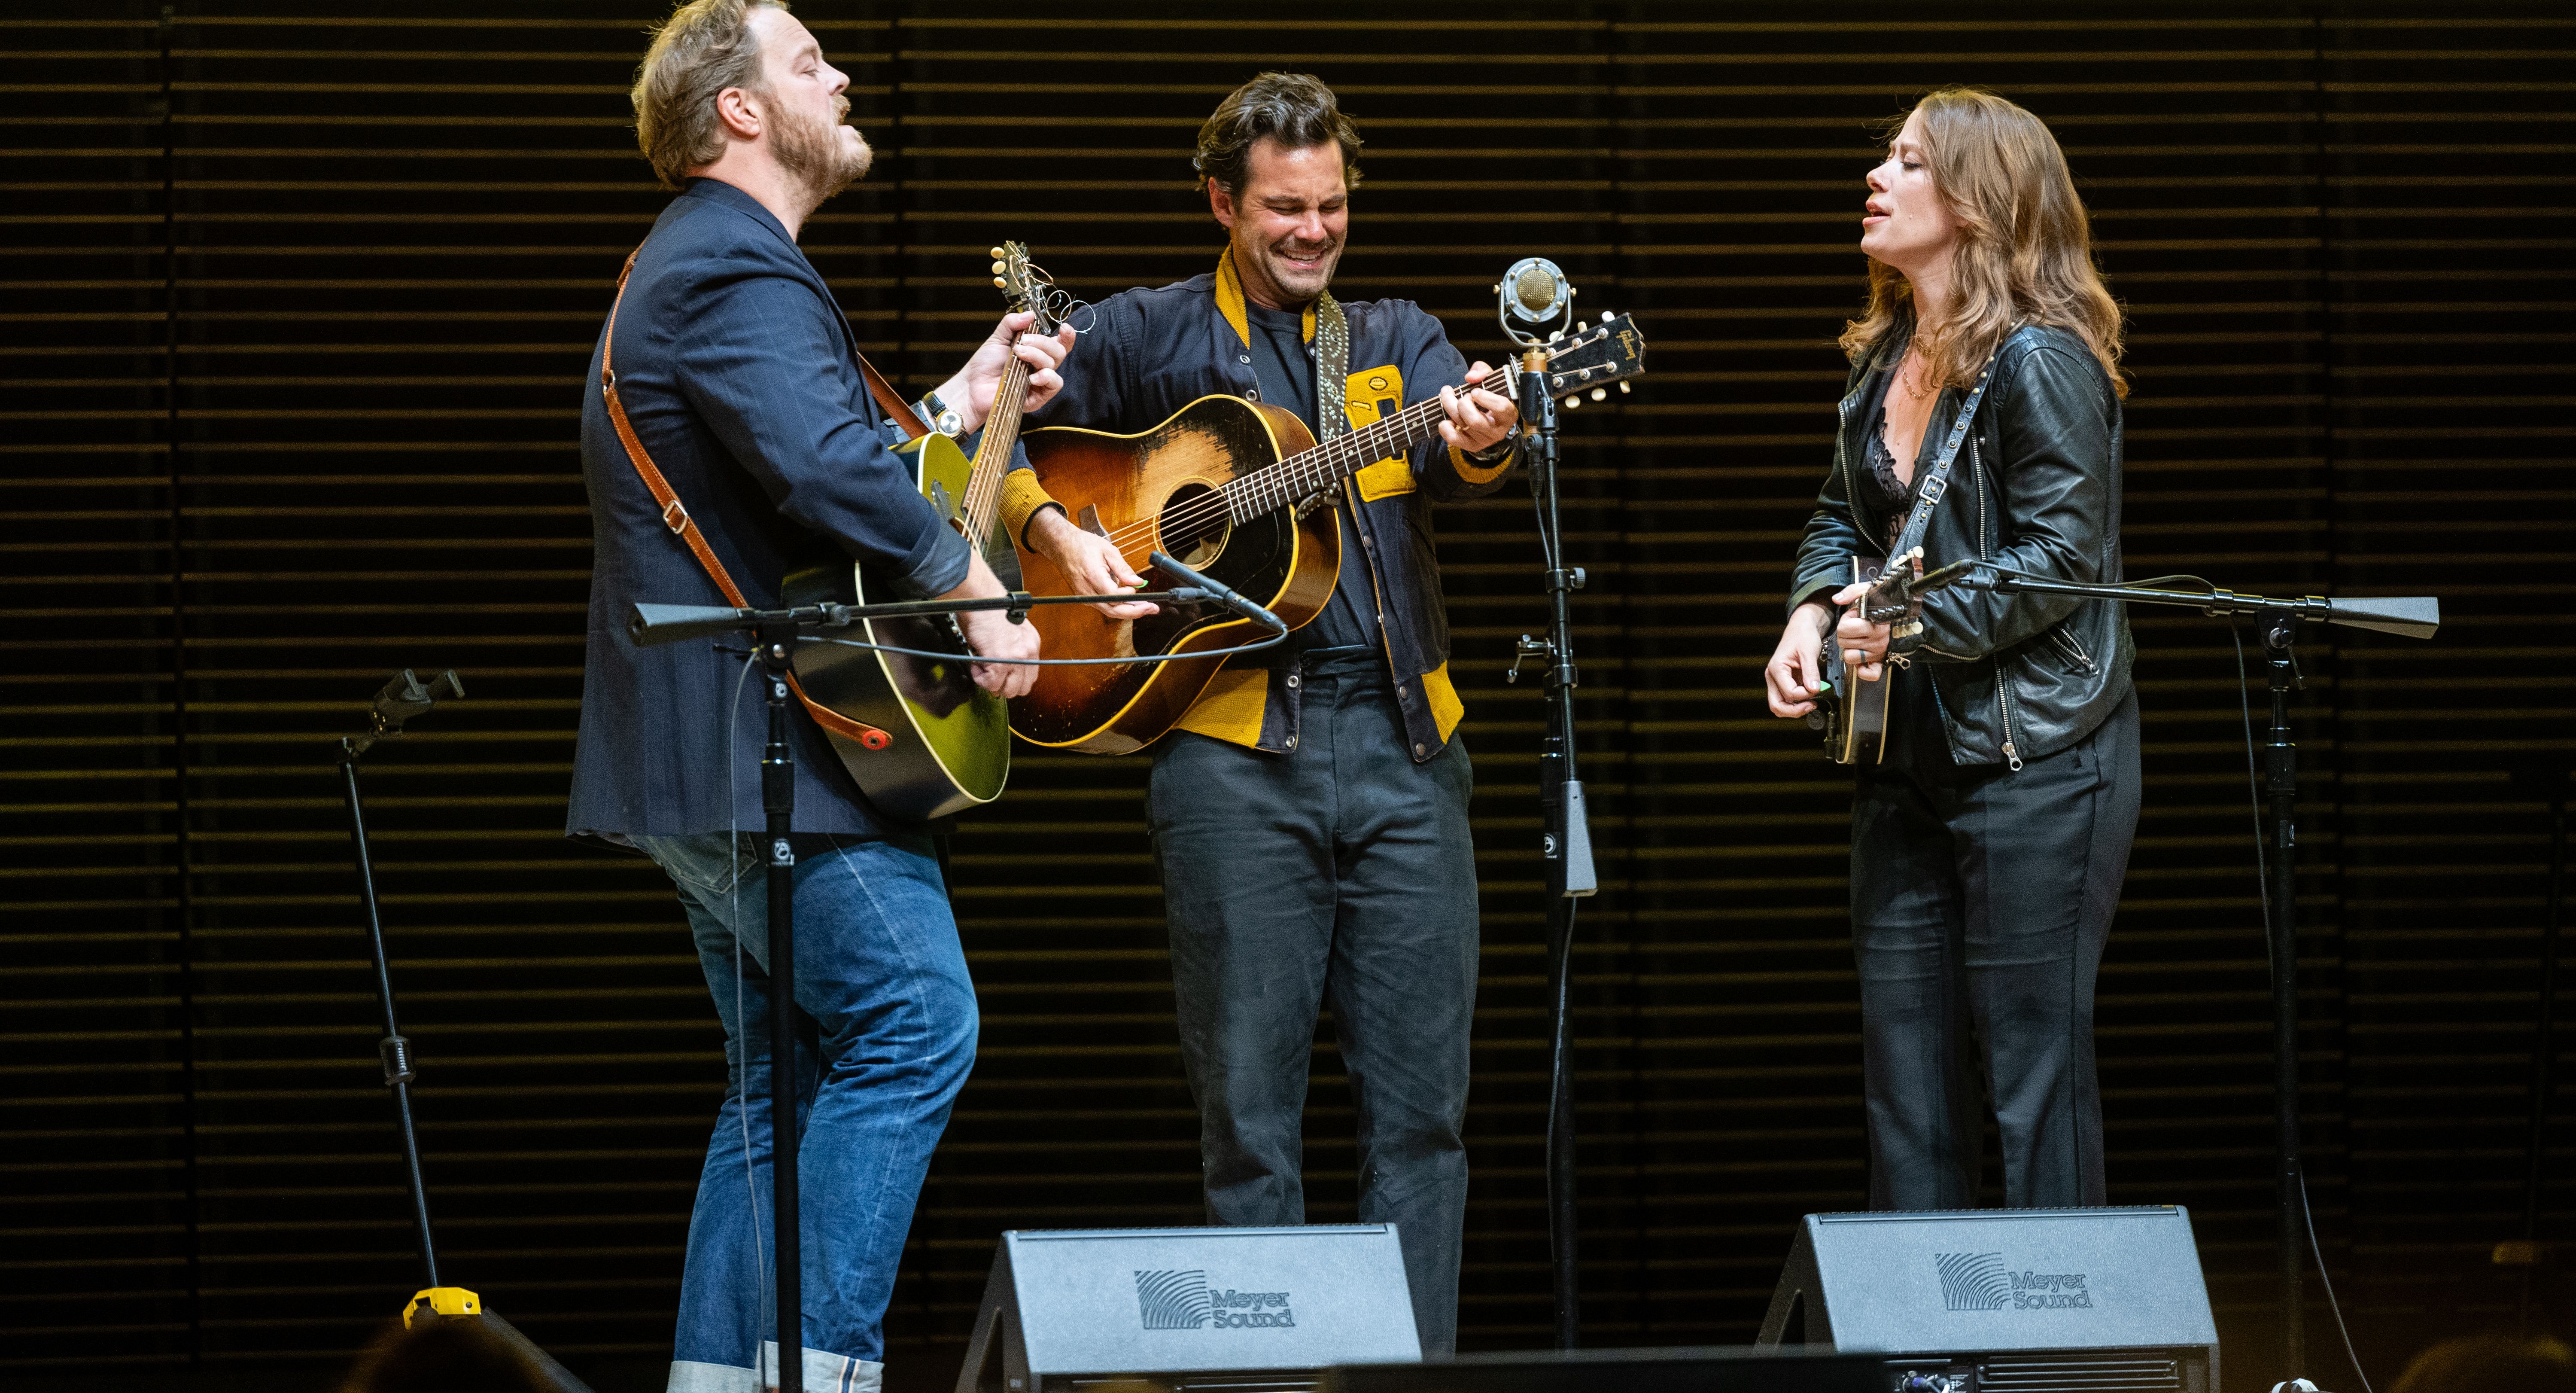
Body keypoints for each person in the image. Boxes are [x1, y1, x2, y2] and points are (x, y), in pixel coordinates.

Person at [564, 2, 1072, 1389]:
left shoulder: (699, 261)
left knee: (776, 1087)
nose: (841, 76)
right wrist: (971, 582)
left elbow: (808, 451)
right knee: (917, 1025)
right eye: (808, 62)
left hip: (695, 753)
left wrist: (955, 404)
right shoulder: (736, 262)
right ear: (739, 109)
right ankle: (824, 1375)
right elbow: (824, 472)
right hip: (764, 749)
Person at [1007, 72, 1519, 1355]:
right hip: (1233, 761)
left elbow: (1466, 459)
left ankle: (1406, 1381)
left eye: (1332, 205)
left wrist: (1486, 434)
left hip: (1409, 753)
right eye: (1286, 208)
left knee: (1424, 1122)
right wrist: (1056, 534)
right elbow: (993, 434)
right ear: (1223, 204)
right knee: (1249, 1122)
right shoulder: (1145, 332)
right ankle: (1269, 1377)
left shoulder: (1400, 335)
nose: (1314, 230)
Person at [1763, 87, 2139, 1210]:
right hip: (1905, 758)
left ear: (1979, 201)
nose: (1877, 176)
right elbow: (1843, 516)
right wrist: (1810, 614)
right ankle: (1934, 1324)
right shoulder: (1889, 351)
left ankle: (2059, 1319)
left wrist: (1904, 624)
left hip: (2038, 758)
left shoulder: (2042, 359)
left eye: (1909, 162)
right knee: (1907, 1089)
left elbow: (2061, 561)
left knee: (2033, 1078)